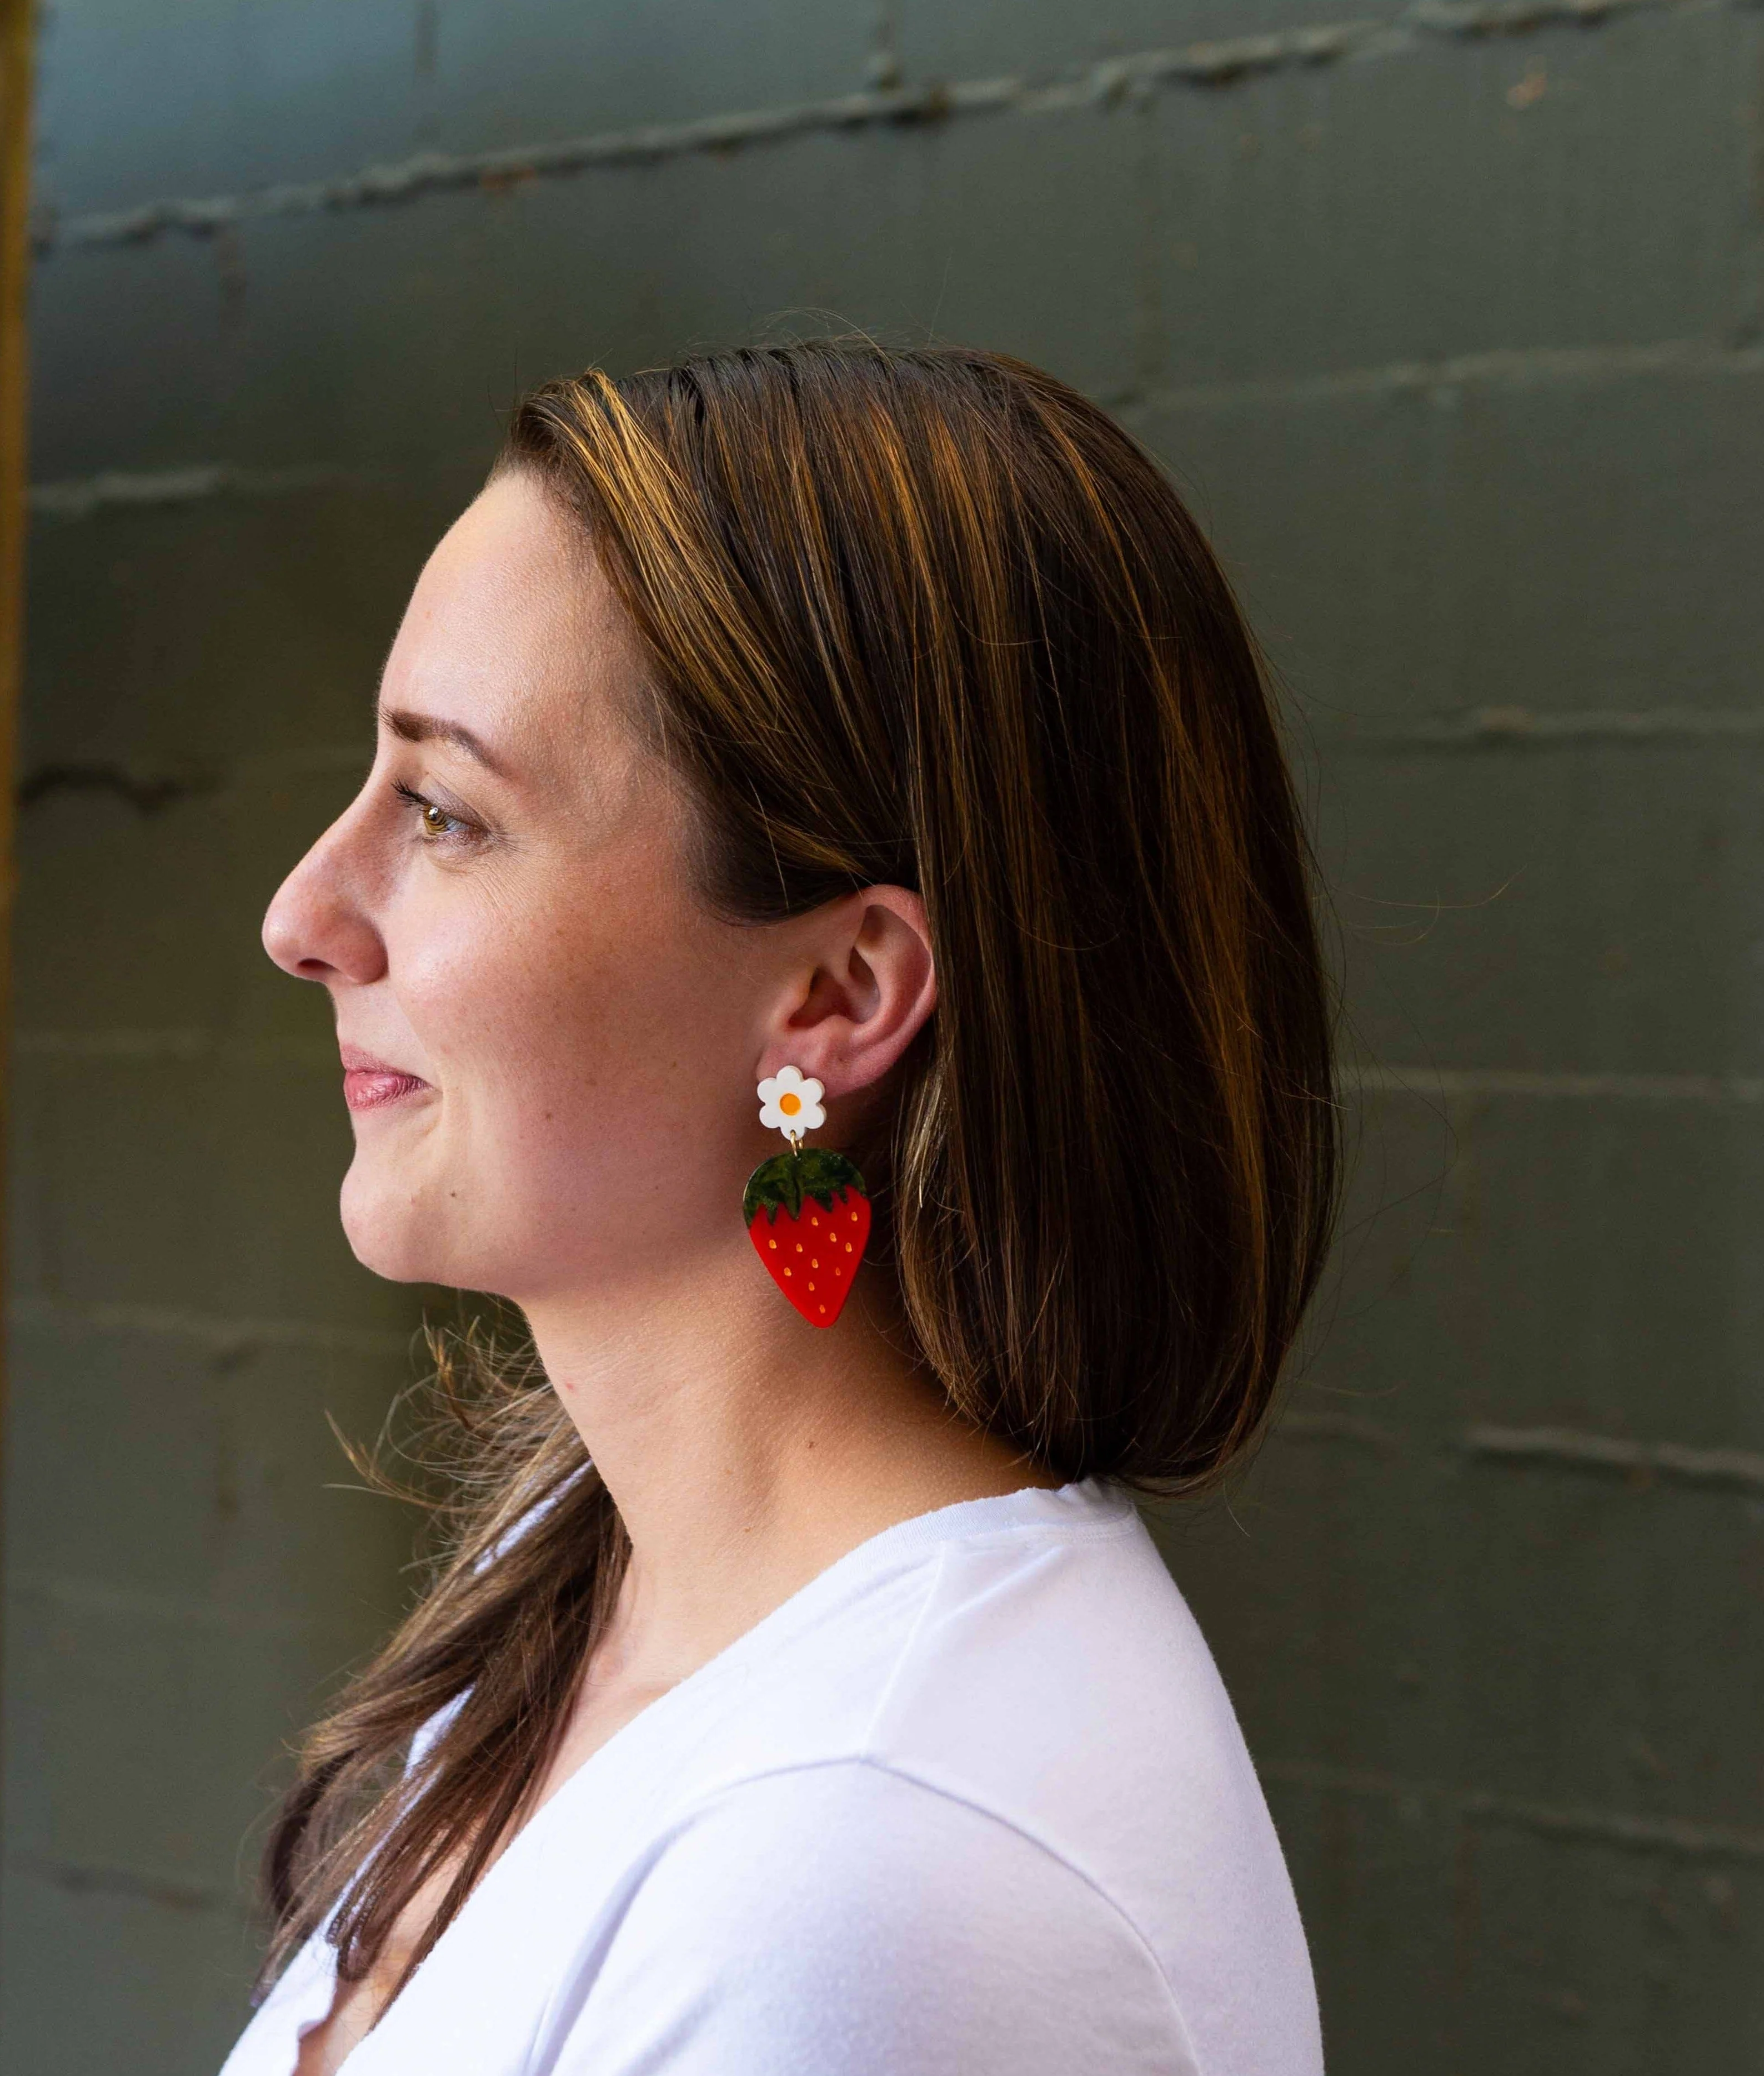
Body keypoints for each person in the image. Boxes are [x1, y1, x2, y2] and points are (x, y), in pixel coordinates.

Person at [230, 340, 1339, 2075]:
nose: (306, 912)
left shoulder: (870, 1872)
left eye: (446, 815)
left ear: (835, 993)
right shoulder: (593, 1582)